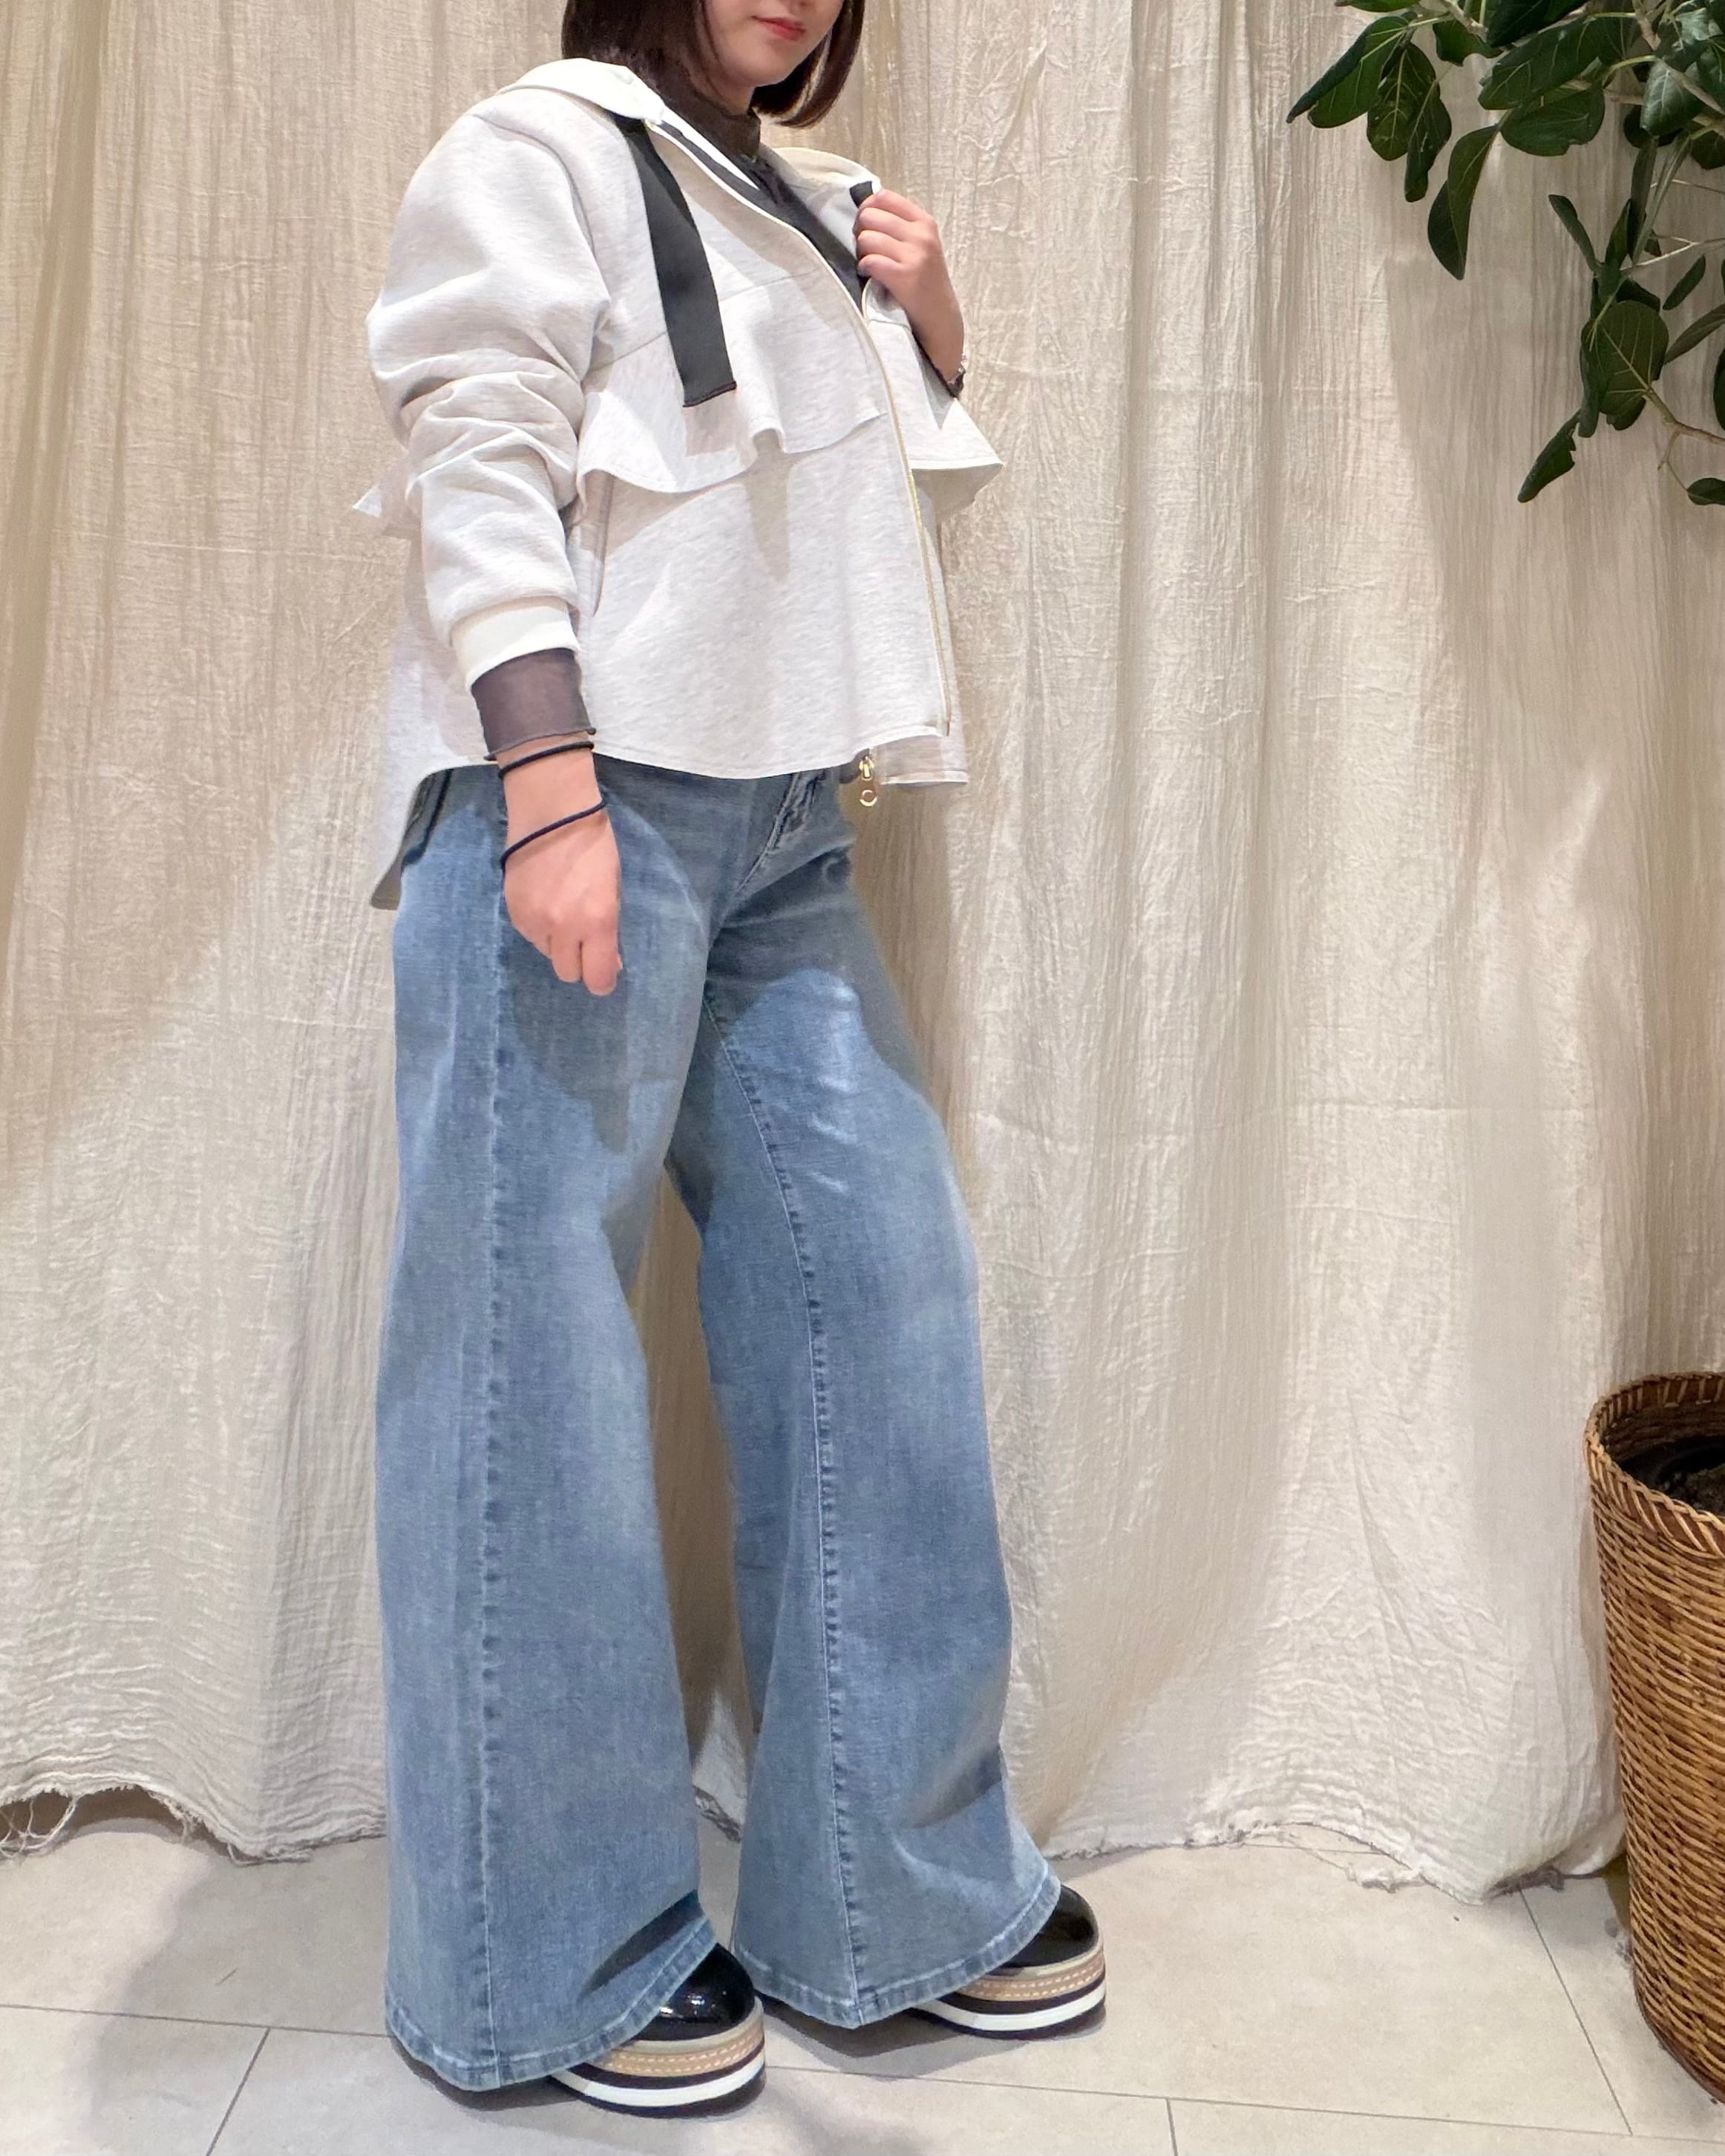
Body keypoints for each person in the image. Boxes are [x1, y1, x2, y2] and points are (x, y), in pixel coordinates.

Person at [359, 0, 1104, 2115]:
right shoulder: (539, 146)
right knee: (525, 1360)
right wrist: (547, 789)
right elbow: (476, 449)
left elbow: (853, 485)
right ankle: (550, 1953)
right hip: (583, 795)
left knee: (880, 1301)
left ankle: (894, 1889)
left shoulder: (805, 197)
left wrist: (932, 315)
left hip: (784, 813)